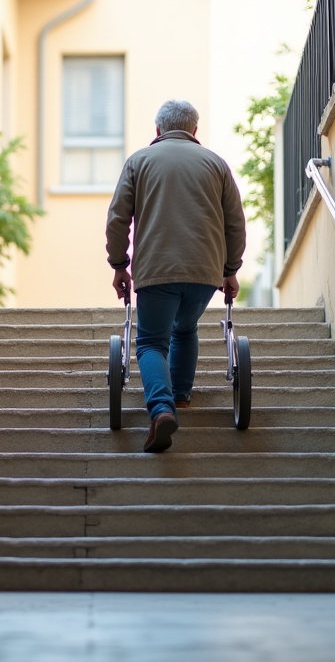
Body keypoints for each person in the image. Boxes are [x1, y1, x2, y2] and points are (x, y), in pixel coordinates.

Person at [105, 99, 246, 453]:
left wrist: (119, 264)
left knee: (152, 342)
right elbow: (235, 223)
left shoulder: (138, 161)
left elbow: (118, 220)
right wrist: (230, 270)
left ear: (158, 129)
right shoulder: (216, 164)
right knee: (185, 327)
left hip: (156, 270)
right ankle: (181, 395)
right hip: (205, 273)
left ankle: (162, 409)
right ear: (195, 130)